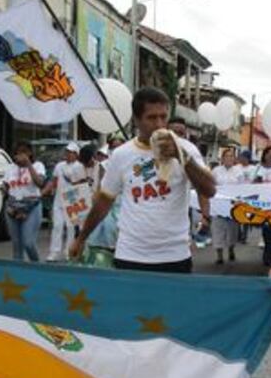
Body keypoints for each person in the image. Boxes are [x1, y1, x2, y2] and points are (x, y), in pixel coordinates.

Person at [69, 87, 216, 273]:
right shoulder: (122, 154)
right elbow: (104, 202)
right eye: (152, 118)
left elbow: (209, 190)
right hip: (130, 254)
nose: (159, 124)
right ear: (137, 120)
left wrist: (183, 158)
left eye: (163, 117)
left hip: (175, 255)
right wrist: (81, 238)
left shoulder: (186, 149)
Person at [1, 141, 46, 262]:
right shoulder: (10, 168)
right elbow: (6, 186)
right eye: (18, 152)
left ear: (30, 153)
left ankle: (37, 267)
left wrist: (28, 164)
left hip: (31, 207)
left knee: (28, 243)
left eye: (24, 152)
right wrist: (2, 188)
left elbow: (40, 183)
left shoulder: (38, 166)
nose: (21, 155)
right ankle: (18, 275)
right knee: (16, 246)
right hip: (12, 207)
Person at [43, 142, 87, 262]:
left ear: (76, 154)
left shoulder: (79, 167)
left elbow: (82, 185)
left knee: (70, 228)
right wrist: (44, 191)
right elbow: (54, 181)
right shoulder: (59, 166)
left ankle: (68, 252)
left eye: (71, 152)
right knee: (57, 226)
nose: (68, 154)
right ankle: (54, 253)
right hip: (58, 201)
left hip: (72, 202)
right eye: (67, 152)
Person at [210, 148, 245, 264]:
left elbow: (242, 188)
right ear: (222, 158)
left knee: (232, 229)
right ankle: (219, 254)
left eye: (231, 156)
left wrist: (240, 201)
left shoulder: (238, 171)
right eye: (226, 156)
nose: (229, 158)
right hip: (218, 204)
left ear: (234, 158)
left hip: (232, 205)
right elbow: (211, 185)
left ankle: (231, 249)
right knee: (217, 228)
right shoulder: (216, 171)